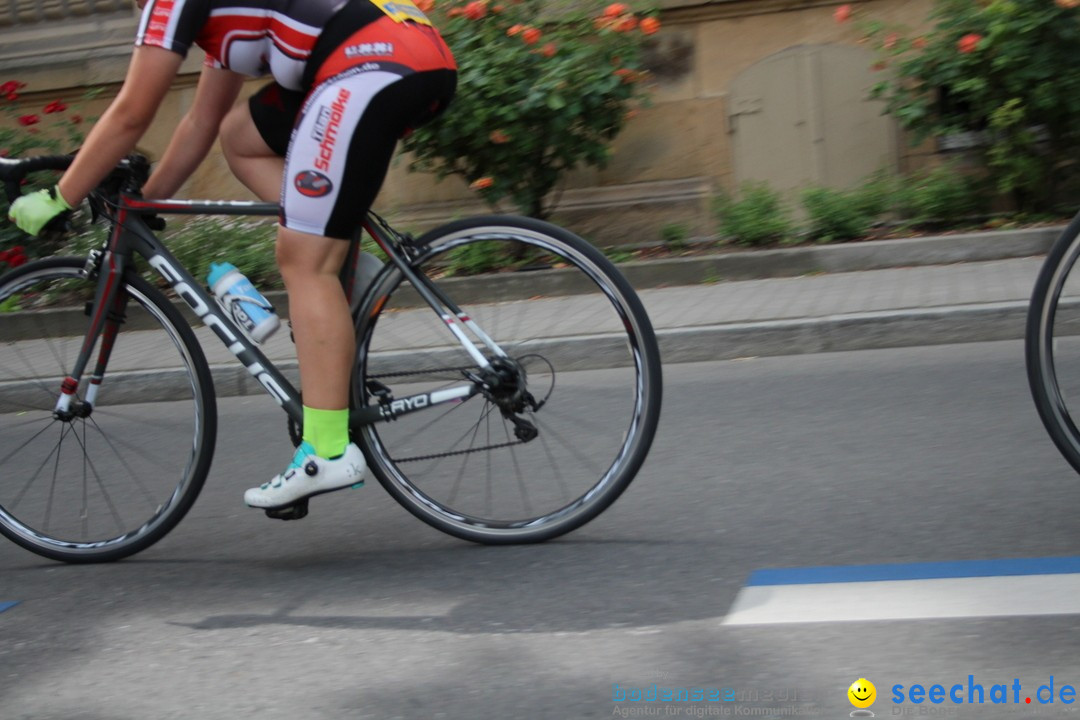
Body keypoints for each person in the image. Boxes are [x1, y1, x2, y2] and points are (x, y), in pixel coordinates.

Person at [7, 0, 457, 511]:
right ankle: (344, 255)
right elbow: (201, 121)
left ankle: (327, 453)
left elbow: (134, 111)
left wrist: (59, 196)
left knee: (303, 261)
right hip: (411, 53)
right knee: (240, 135)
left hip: (370, 65)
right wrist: (147, 199)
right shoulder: (219, 16)